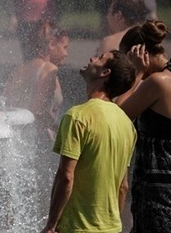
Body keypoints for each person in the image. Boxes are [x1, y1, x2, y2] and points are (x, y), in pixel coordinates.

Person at [41, 50, 137, 233]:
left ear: (104, 73)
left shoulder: (77, 117)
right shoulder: (126, 124)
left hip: (77, 227)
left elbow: (66, 177)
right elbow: (123, 186)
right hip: (112, 228)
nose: (92, 58)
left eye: (99, 58)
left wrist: (51, 225)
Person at [116, 20, 171, 232]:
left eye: (126, 60)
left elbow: (117, 115)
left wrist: (137, 74)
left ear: (138, 52)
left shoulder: (157, 82)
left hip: (158, 194)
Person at [3, 22, 69, 144]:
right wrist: (63, 133)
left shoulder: (19, 69)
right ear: (52, 44)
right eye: (65, 47)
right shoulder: (49, 69)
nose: (66, 54)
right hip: (38, 141)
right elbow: (39, 111)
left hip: (16, 139)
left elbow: (6, 104)